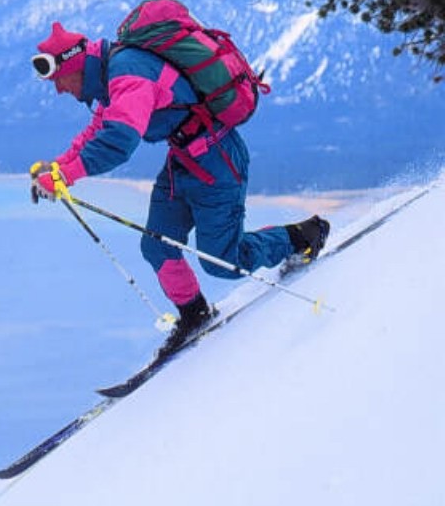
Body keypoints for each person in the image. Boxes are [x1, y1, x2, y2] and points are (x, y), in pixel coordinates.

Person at [29, 19, 330, 357]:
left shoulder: (128, 73)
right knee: (157, 247)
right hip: (183, 162)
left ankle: (302, 236)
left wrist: (66, 176)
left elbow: (118, 141)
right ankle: (195, 315)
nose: (59, 89)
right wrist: (56, 167)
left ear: (75, 65)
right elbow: (98, 128)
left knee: (223, 263)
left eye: (59, 80)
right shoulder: (112, 75)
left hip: (217, 163)